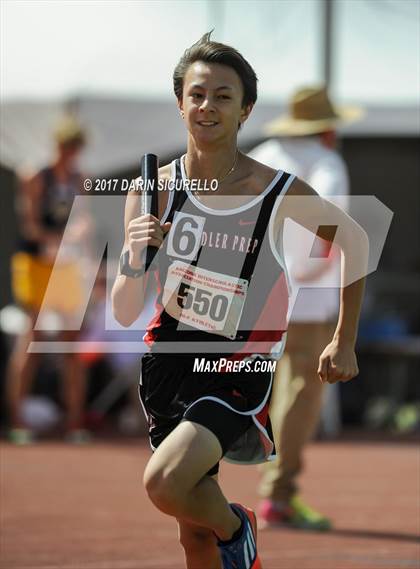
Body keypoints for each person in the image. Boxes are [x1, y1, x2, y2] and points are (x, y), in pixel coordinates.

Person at [112, 33, 368, 569]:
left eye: (223, 96)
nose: (208, 107)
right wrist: (135, 256)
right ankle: (227, 533)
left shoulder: (276, 189)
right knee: (193, 538)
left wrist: (344, 340)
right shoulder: (151, 189)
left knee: (164, 483)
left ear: (246, 108)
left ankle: (240, 525)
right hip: (168, 364)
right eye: (197, 94)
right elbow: (122, 307)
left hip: (236, 363)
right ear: (180, 101)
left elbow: (354, 239)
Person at [249, 87, 362, 530]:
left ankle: (210, 481)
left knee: (256, 389)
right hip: (306, 299)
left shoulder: (262, 153)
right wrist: (305, 270)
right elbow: (333, 224)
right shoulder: (328, 161)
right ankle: (278, 494)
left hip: (252, 294)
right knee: (300, 391)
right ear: (328, 128)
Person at [7, 115, 91, 445]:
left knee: (72, 341)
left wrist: (78, 240)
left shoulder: (80, 178)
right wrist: (56, 240)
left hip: (67, 266)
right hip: (36, 264)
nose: (71, 153)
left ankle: (75, 422)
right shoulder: (34, 175)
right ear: (57, 145)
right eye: (67, 146)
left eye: (76, 148)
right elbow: (30, 226)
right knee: (34, 337)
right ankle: (17, 420)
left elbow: (84, 222)